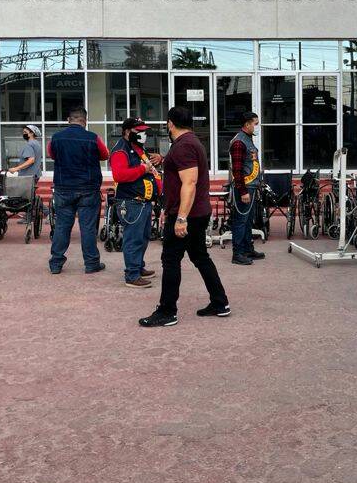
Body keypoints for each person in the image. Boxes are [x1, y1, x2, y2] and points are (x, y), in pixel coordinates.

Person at [139, 106, 230, 328]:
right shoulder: (188, 143)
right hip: (195, 212)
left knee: (171, 260)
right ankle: (220, 303)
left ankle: (167, 311)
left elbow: (189, 182)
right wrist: (165, 160)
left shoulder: (184, 146)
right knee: (200, 257)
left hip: (187, 214)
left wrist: (180, 218)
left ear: (170, 123)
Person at [47, 107, 110, 275]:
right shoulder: (93, 138)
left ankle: (56, 264)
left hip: (63, 188)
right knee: (88, 228)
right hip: (88, 189)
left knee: (62, 226)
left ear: (69, 120)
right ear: (85, 121)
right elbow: (105, 155)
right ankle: (91, 264)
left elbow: (51, 154)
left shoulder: (56, 138)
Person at [109, 117, 163, 288]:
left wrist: (158, 159)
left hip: (143, 202)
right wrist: (142, 169)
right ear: (127, 131)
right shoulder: (120, 151)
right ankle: (132, 275)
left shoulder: (137, 147)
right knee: (133, 239)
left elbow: (149, 167)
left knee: (143, 236)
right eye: (138, 131)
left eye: (144, 131)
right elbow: (120, 175)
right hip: (131, 202)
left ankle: (138, 267)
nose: (143, 134)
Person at [229, 111, 264, 266]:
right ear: (247, 124)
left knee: (248, 220)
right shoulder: (239, 142)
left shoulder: (247, 139)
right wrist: (243, 191)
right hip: (244, 188)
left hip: (251, 186)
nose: (257, 127)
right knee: (241, 220)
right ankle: (237, 254)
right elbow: (237, 170)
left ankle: (248, 249)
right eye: (255, 124)